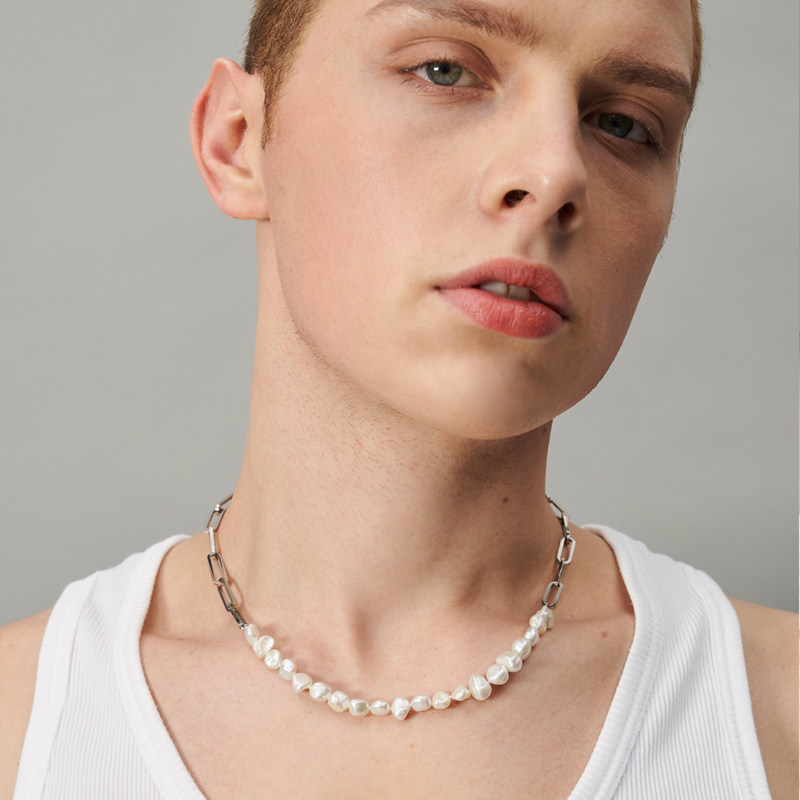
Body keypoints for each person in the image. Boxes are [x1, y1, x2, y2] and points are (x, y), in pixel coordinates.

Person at [1, 0, 797, 797]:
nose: (557, 172)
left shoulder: (780, 713)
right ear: (238, 141)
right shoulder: (19, 722)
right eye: (444, 71)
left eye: (624, 124)